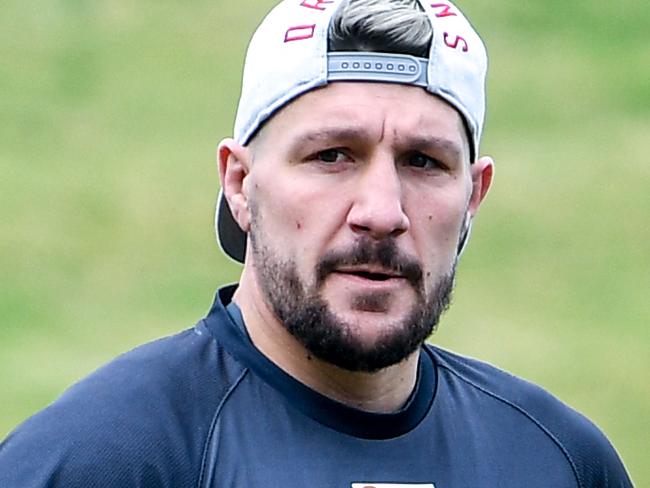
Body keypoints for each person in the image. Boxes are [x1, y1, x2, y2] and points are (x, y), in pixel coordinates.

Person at [0, 0, 633, 486]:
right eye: (332, 155)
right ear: (241, 184)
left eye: (423, 162)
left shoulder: (559, 462)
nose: (382, 212)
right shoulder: (108, 461)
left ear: (473, 197)